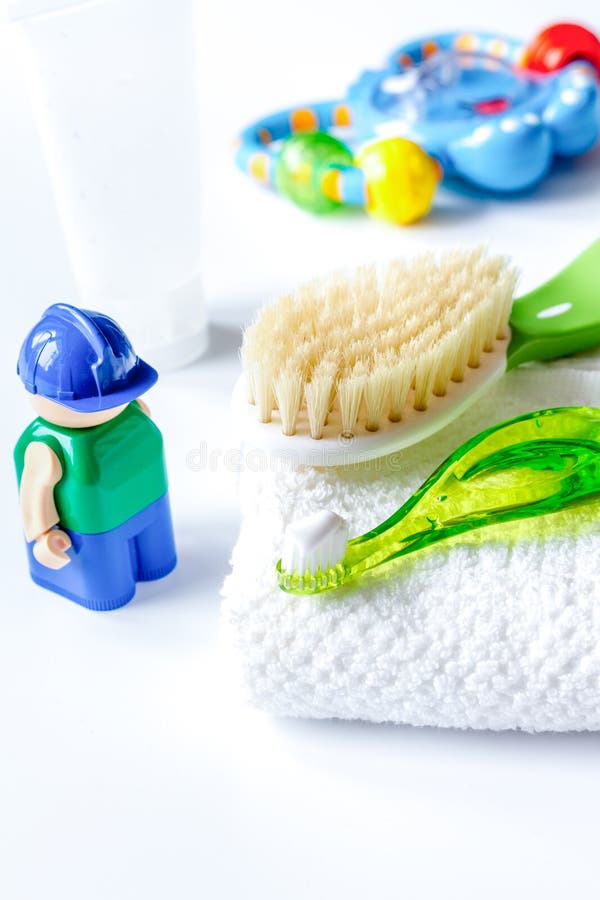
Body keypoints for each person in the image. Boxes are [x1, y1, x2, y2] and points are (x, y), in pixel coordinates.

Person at [14, 303, 177, 611]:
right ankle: (108, 592)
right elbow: (34, 492)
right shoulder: (47, 445)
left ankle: (156, 563)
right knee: (111, 589)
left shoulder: (133, 413)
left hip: (152, 506)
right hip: (93, 536)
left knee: (158, 561)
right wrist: (43, 535)